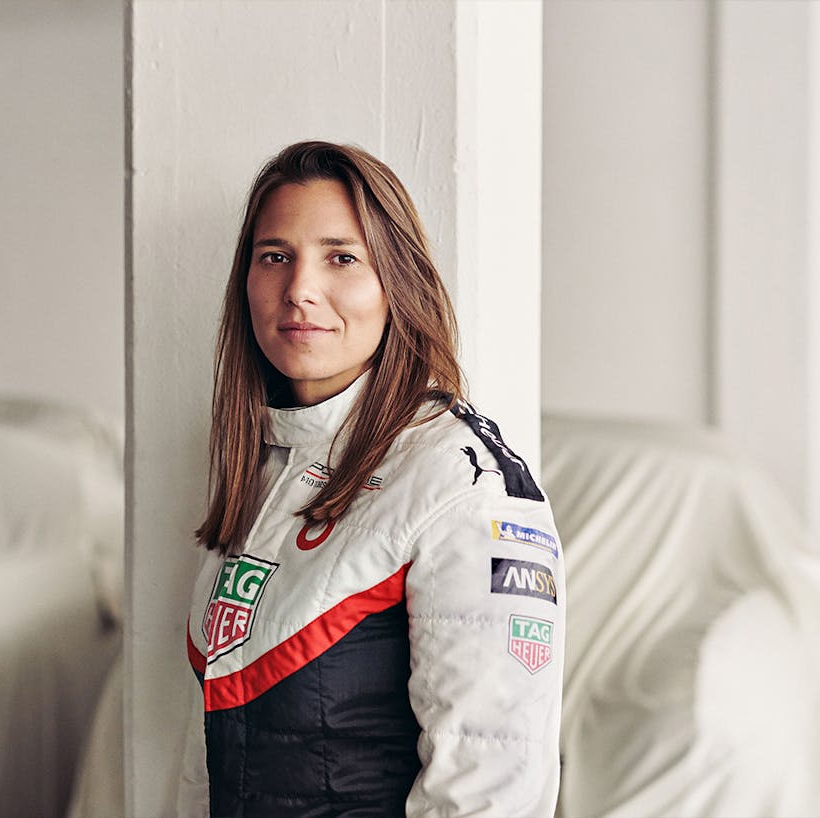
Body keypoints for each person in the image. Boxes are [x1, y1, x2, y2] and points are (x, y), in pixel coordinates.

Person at [179, 141, 565, 817]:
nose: (300, 287)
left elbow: (489, 785)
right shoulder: (259, 463)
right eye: (275, 256)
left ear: (397, 281)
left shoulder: (464, 484)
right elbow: (206, 761)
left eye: (340, 257)